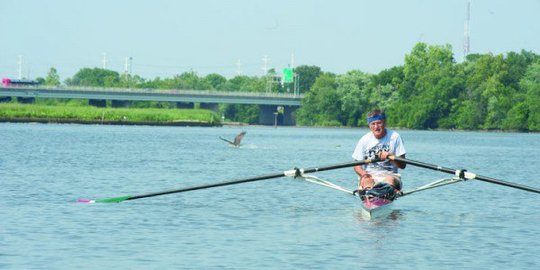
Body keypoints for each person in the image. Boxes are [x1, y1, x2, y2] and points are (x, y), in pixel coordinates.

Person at [352, 109, 406, 193]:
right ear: (369, 125)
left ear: (384, 123)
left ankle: (382, 191)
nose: (376, 127)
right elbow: (356, 166)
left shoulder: (395, 137)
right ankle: (370, 194)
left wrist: (390, 156)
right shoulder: (364, 140)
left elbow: (403, 165)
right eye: (373, 124)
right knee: (366, 181)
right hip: (370, 175)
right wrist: (364, 174)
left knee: (389, 180)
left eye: (379, 123)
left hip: (391, 175)